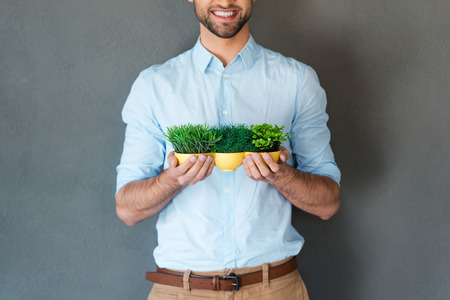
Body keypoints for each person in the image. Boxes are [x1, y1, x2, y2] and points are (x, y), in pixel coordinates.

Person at [115, 0, 341, 299]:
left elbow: (328, 203)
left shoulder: (297, 81)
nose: (224, 1)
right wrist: (174, 179)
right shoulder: (154, 86)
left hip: (273, 288)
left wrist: (280, 175)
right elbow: (127, 210)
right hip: (181, 290)